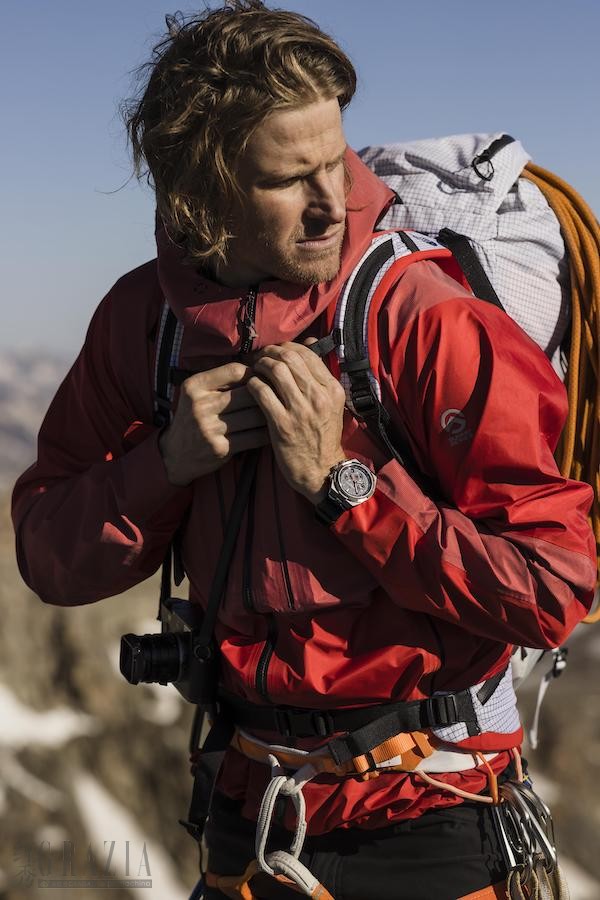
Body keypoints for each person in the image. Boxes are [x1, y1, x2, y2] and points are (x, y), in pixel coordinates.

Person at [12, 3, 596, 898]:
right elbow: (49, 554)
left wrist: (347, 485)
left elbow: (552, 587)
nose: (335, 202)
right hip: (246, 806)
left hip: (433, 814)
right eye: (290, 179)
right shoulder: (144, 327)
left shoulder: (429, 322)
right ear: (198, 198)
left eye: (337, 161)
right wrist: (164, 466)